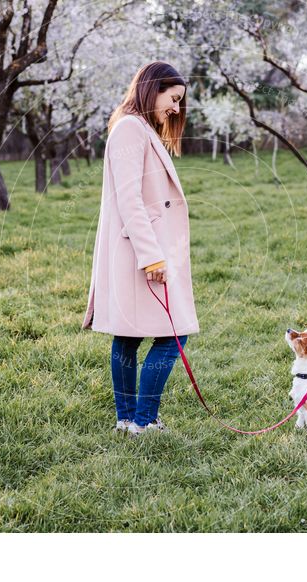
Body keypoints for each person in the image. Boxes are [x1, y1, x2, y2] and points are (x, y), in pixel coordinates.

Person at [81, 61, 199, 437]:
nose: (176, 109)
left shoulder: (139, 128)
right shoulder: (131, 129)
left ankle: (128, 420)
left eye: (180, 102)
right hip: (139, 253)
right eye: (173, 98)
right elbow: (129, 199)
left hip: (139, 250)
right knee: (172, 335)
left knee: (129, 336)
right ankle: (143, 421)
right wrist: (152, 257)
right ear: (153, 88)